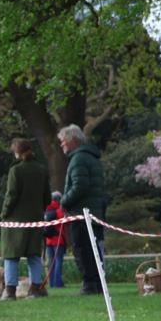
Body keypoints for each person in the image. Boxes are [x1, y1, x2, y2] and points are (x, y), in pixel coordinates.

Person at [0, 138, 51, 300]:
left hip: (15, 221)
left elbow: (11, 196)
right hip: (35, 219)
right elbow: (47, 198)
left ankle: (10, 292)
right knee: (34, 255)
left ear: (17, 152)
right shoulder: (41, 169)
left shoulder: (16, 171)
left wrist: (3, 214)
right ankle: (35, 290)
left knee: (11, 256)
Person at [57, 124, 107, 295]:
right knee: (93, 250)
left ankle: (89, 284)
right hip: (95, 212)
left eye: (63, 141)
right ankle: (96, 283)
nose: (61, 145)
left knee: (82, 249)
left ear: (73, 141)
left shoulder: (78, 159)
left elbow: (80, 186)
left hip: (81, 213)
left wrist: (64, 201)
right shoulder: (91, 157)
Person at [44, 191, 67, 289]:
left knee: (50, 262)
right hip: (58, 240)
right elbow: (65, 222)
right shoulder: (58, 210)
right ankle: (58, 283)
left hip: (48, 240)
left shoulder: (46, 210)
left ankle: (52, 283)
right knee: (58, 261)